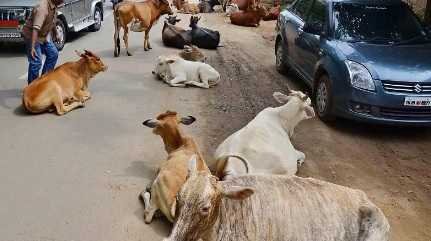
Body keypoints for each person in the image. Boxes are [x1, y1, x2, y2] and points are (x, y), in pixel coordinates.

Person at [22, 0, 64, 84]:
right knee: (36, 61)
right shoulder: (42, 8)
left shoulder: (54, 5)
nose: (63, 1)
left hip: (43, 35)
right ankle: (32, 86)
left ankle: (44, 81)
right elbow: (35, 29)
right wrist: (33, 47)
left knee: (53, 54)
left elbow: (52, 21)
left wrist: (56, 34)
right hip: (32, 36)